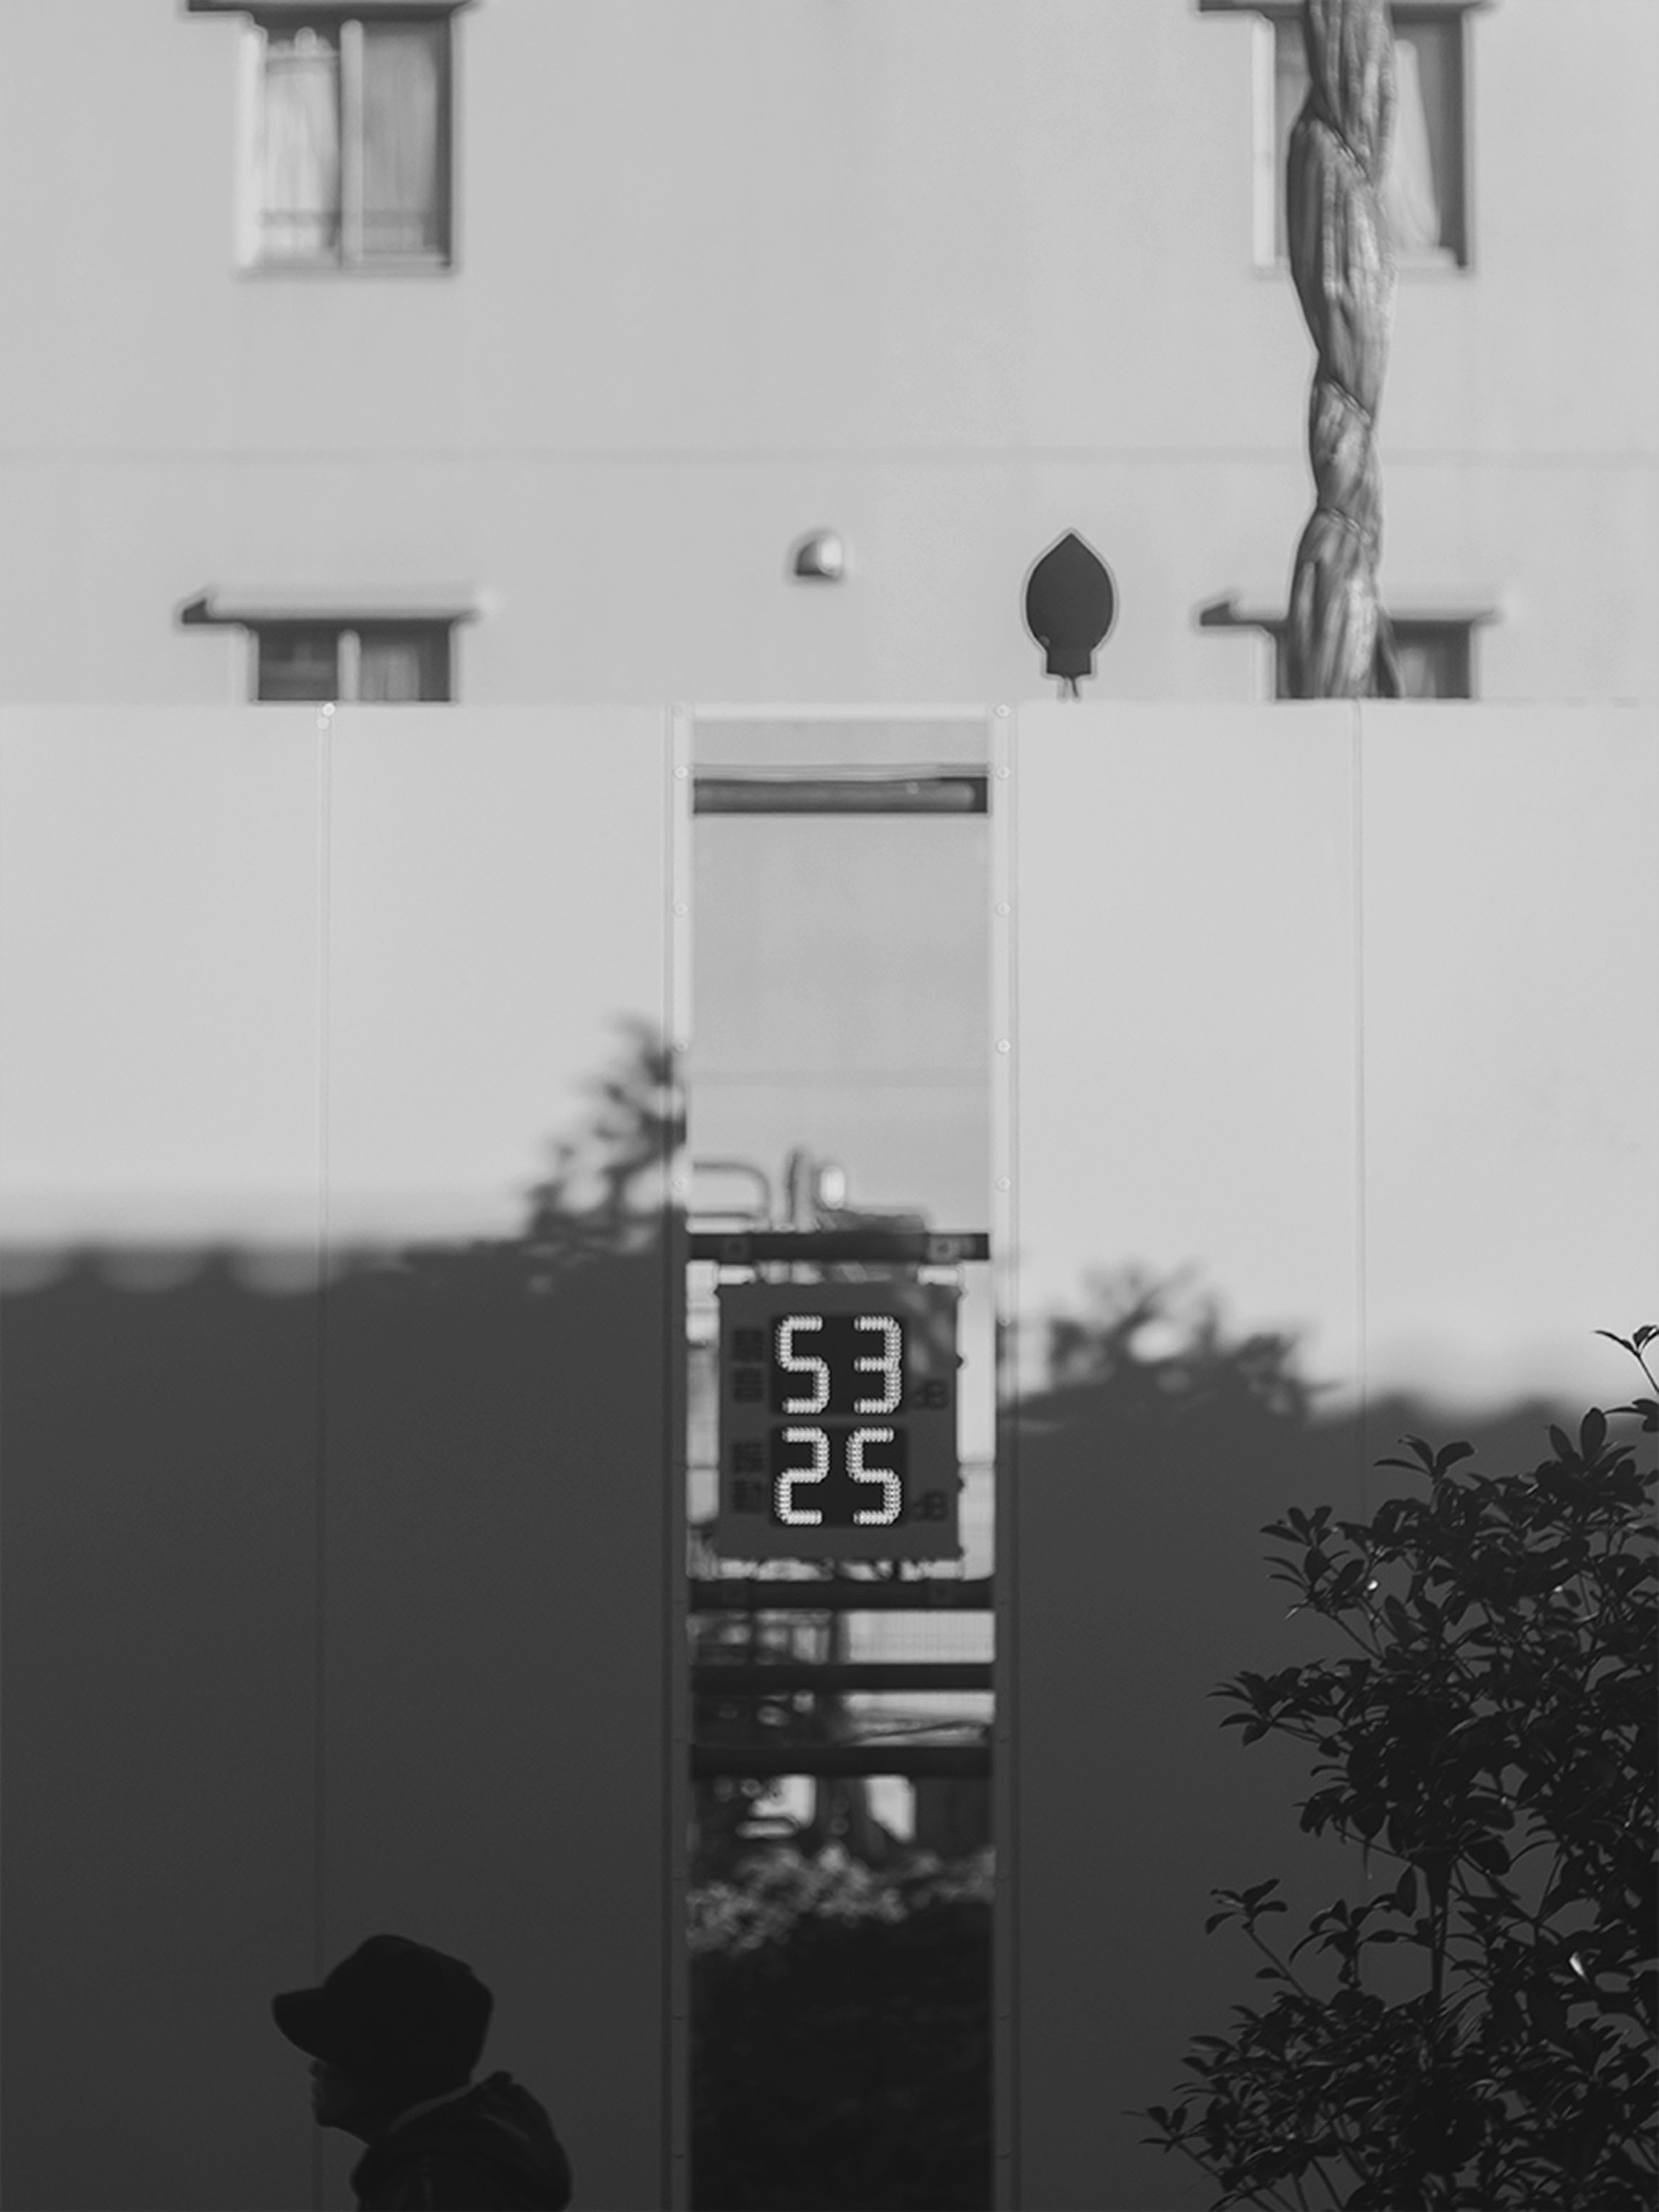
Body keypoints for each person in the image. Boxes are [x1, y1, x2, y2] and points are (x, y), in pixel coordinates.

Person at [272, 1933, 573, 2211]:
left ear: (381, 2067)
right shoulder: (478, 2160)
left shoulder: (435, 2193)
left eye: (331, 2050)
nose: (315, 2067)